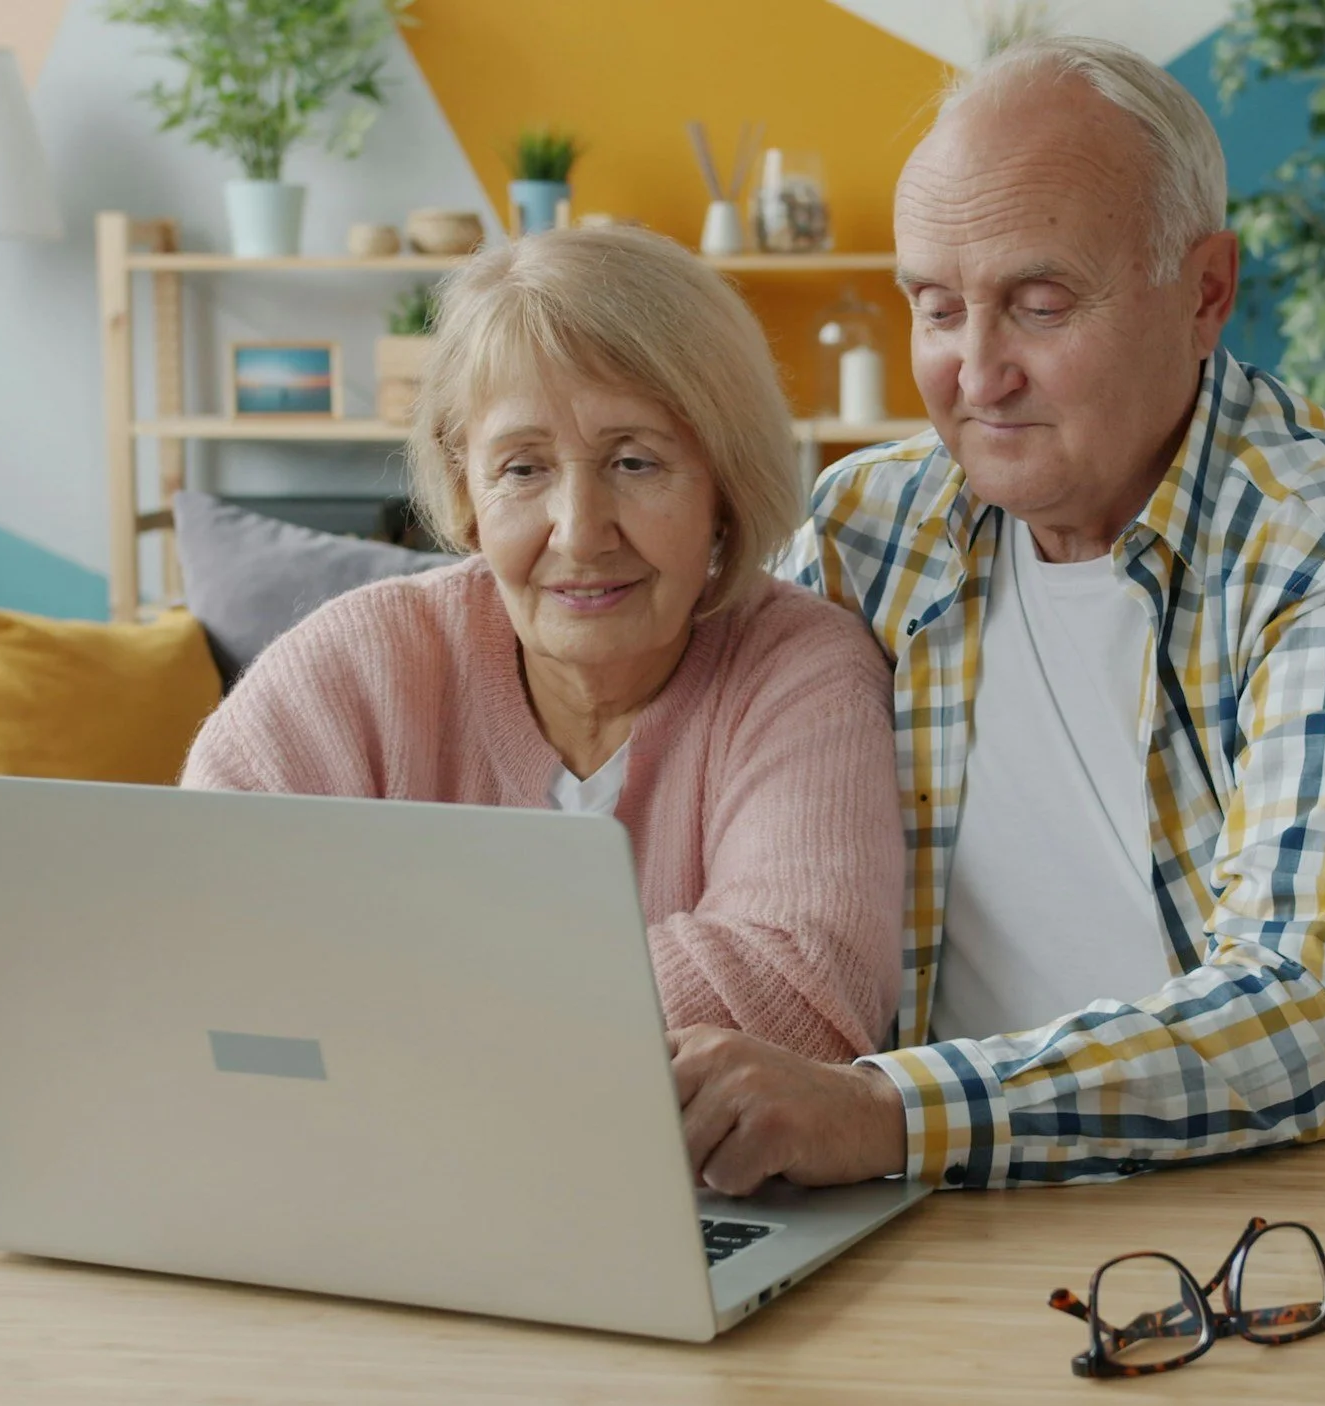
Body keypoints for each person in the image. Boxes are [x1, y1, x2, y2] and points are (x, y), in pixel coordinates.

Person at [667, 36, 1325, 1191]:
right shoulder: (866, 528)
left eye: (1038, 304)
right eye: (935, 309)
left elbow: (1318, 1007)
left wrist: (887, 1110)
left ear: (1205, 292)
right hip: (942, 1204)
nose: (975, 375)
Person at [182, 227, 904, 1064]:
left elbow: (798, 993)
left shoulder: (801, 670)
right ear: (464, 490)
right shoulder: (354, 666)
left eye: (635, 462)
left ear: (726, 486)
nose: (581, 533)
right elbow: (207, 939)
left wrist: (375, 998)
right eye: (523, 469)